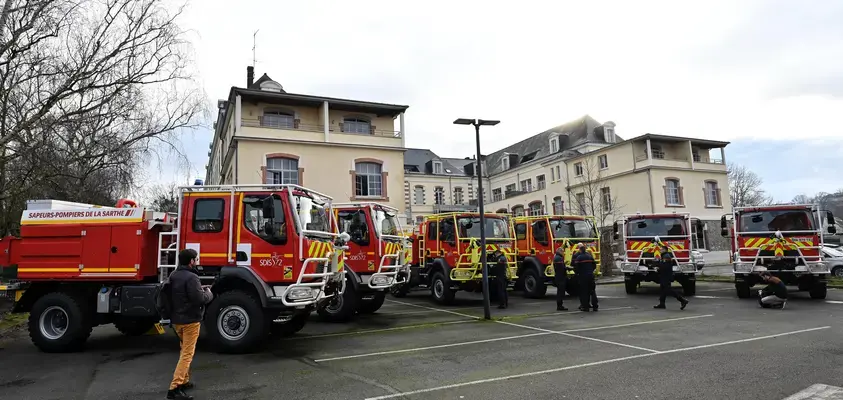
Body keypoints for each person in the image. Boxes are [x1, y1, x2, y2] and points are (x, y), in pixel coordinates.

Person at [167, 248, 214, 400]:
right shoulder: (192, 278)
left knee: (183, 349)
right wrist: (208, 293)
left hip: (176, 321)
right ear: (191, 261)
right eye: (195, 259)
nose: (196, 261)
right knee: (187, 354)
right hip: (190, 320)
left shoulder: (174, 275)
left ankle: (184, 380)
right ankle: (174, 388)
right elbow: (199, 299)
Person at [653, 245, 688, 310]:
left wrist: (658, 267)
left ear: (665, 250)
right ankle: (662, 304)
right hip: (664, 275)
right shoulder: (664, 256)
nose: (660, 250)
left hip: (666, 276)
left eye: (661, 249)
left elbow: (666, 266)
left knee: (668, 290)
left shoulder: (666, 256)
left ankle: (682, 300)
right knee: (663, 289)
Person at [572, 244, 598, 312]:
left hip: (583, 277)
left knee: (584, 292)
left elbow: (576, 268)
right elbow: (594, 265)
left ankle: (585, 307)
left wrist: (577, 273)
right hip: (590, 276)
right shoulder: (590, 256)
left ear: (580, 250)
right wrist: (590, 271)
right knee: (592, 292)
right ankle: (595, 306)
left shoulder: (579, 258)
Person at [552, 246, 569, 311]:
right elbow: (561, 268)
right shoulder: (558, 258)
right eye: (563, 252)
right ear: (560, 251)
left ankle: (560, 305)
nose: (564, 253)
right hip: (560, 277)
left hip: (559, 277)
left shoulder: (557, 257)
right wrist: (567, 268)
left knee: (560, 292)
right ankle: (559, 305)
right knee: (560, 292)